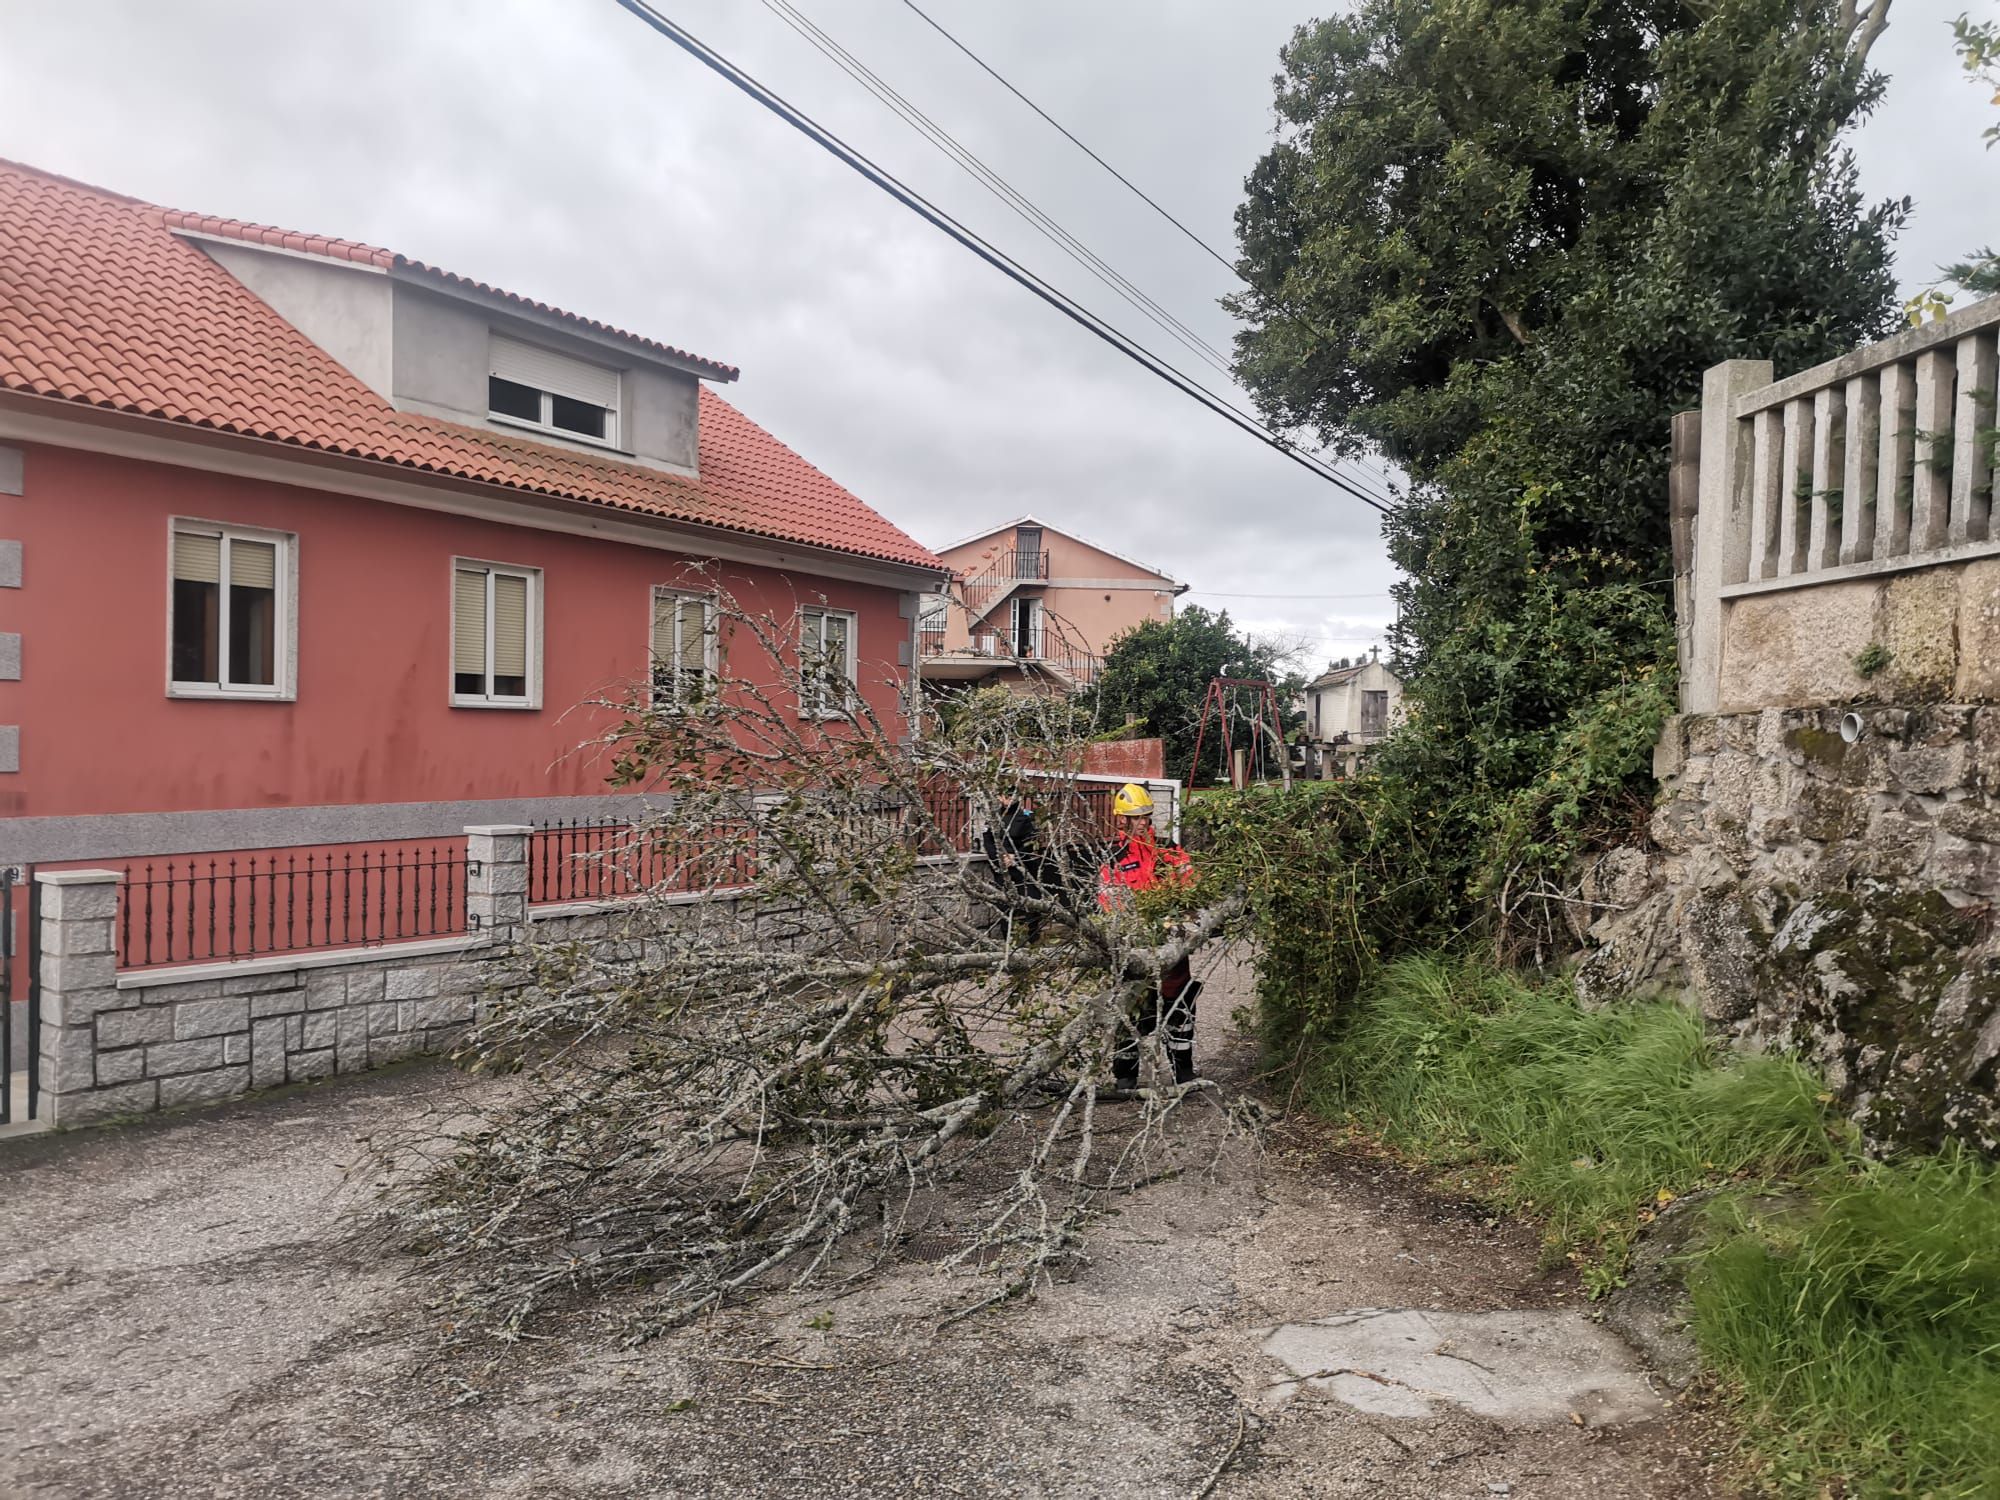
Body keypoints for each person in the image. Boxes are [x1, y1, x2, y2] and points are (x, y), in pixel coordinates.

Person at [1097, 782, 1202, 1088]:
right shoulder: (1112, 857)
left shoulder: (1169, 850)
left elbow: (1190, 886)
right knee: (1131, 1012)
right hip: (1135, 951)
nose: (1144, 821)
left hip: (1172, 949)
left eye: (1147, 815)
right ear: (1122, 820)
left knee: (1180, 1010)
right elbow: (1110, 904)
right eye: (1138, 816)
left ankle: (1183, 1071)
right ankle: (1126, 1076)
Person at [983, 786, 1043, 941]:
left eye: (1011, 796)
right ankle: (1008, 940)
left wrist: (1015, 857)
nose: (1007, 799)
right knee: (1005, 904)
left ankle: (1032, 939)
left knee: (1032, 903)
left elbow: (1031, 842)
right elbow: (988, 840)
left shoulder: (1026, 817)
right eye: (1004, 796)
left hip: (1023, 867)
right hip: (1001, 868)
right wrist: (999, 859)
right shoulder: (993, 817)